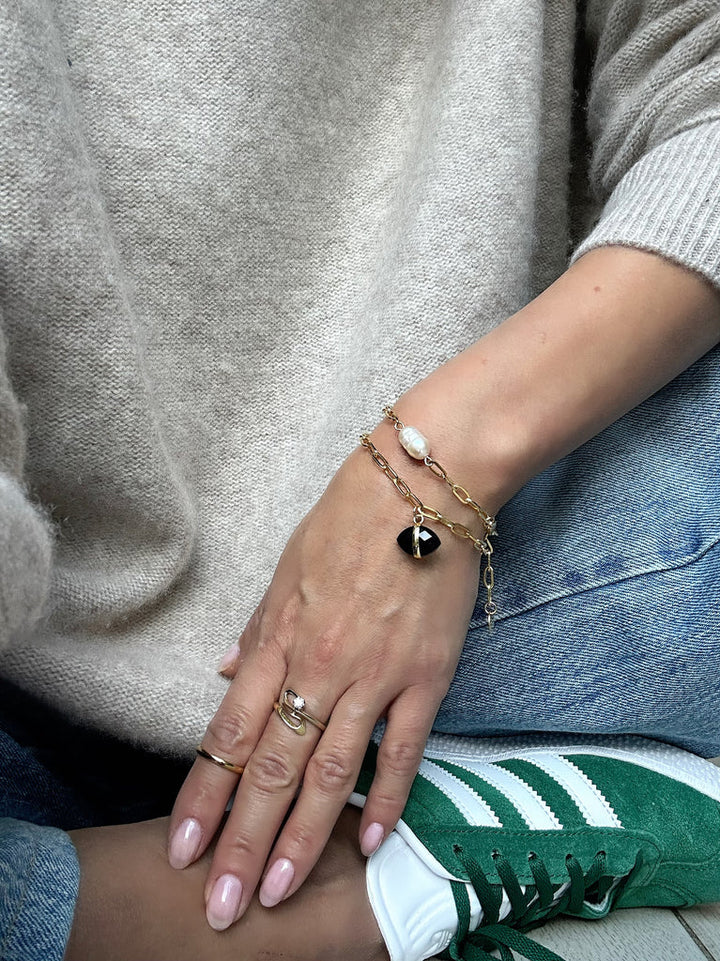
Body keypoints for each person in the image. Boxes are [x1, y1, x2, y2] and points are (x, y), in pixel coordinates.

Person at [1, 0, 719, 959]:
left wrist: (433, 468)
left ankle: (189, 906)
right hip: (44, 661)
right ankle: (354, 871)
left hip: (512, 550)